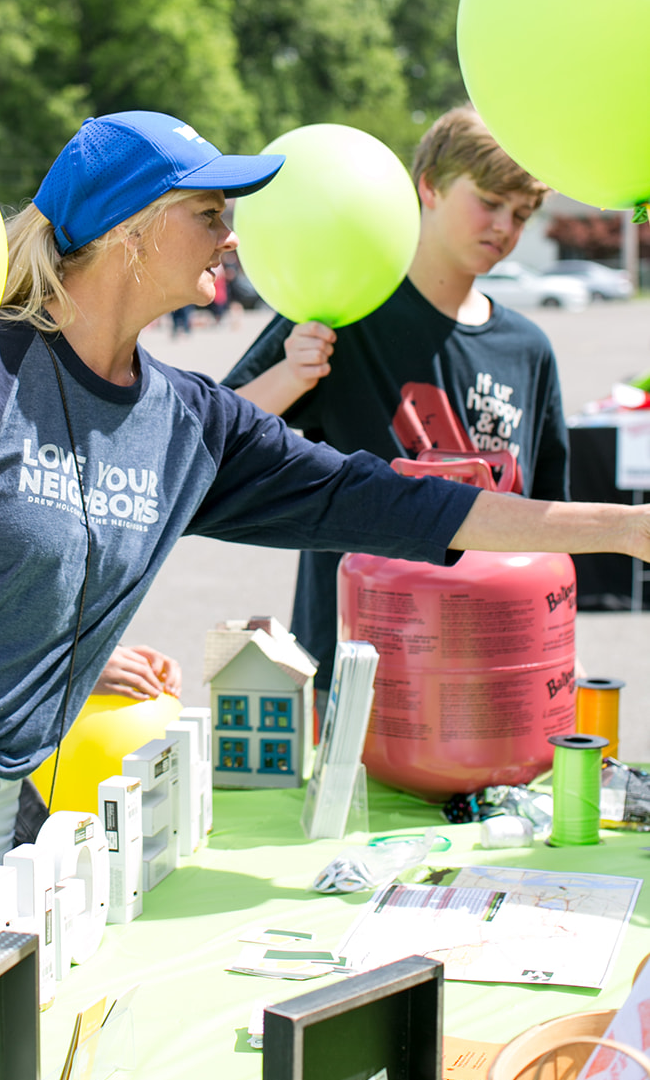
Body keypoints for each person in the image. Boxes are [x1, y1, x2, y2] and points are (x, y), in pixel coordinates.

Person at [0, 108, 650, 1080]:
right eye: (207, 212)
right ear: (129, 230)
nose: (231, 235)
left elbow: (398, 503)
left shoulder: (187, 420)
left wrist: (624, 528)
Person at [224, 104, 568, 705]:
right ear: (428, 187)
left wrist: (561, 642)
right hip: (359, 666)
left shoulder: (529, 348)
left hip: (493, 665)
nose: (505, 228)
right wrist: (291, 372)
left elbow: (549, 522)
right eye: (489, 201)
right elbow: (214, 436)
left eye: (522, 213)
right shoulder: (349, 307)